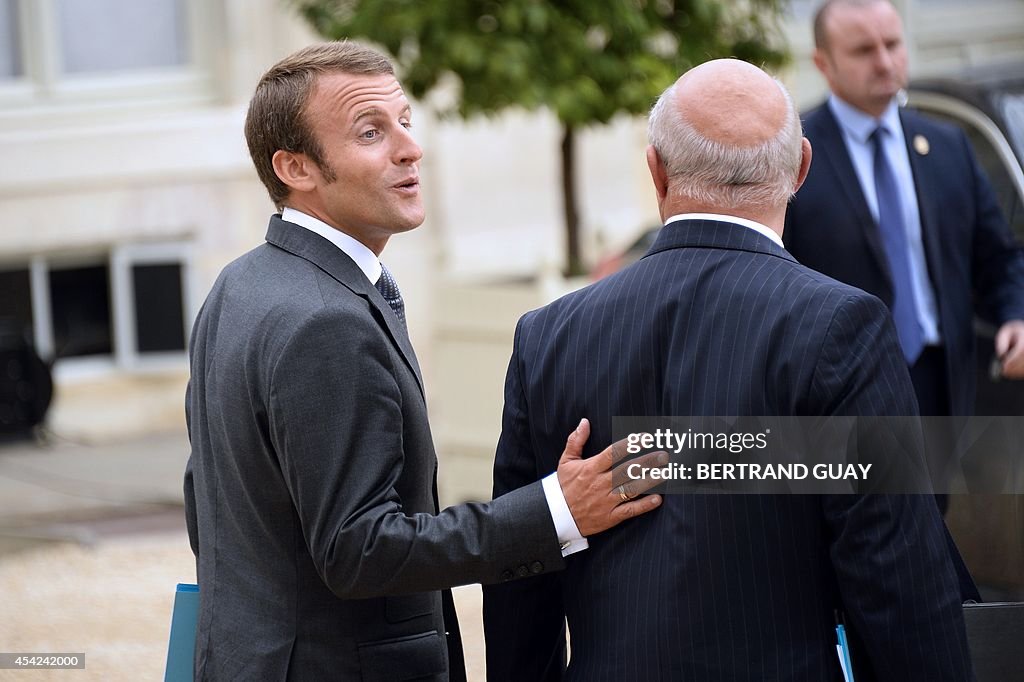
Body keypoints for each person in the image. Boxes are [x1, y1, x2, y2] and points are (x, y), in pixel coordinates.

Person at [183, 41, 662, 681]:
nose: (410, 148)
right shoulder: (327, 321)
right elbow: (359, 550)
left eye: (405, 121)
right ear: (296, 167)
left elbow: (207, 507)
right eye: (370, 132)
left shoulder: (238, 285)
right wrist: (557, 511)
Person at [482, 59, 972, 680]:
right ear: (801, 170)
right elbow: (896, 573)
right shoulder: (839, 326)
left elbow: (520, 571)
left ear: (655, 170)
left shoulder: (547, 335)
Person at [785, 0, 1024, 421]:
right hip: (841, 395)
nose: (884, 61)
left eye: (892, 44)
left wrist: (1015, 314)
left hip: (944, 384)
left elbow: (998, 256)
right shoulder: (795, 155)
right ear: (823, 63)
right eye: (863, 50)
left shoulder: (949, 146)